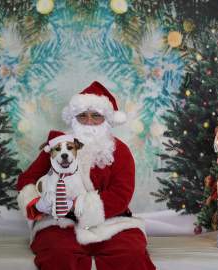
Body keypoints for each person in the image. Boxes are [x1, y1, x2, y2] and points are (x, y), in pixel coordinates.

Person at [16, 81, 156, 270]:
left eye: (96, 116)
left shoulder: (120, 151)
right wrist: (36, 204)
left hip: (112, 221)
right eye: (82, 116)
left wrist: (80, 206)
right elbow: (27, 179)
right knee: (58, 253)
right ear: (74, 119)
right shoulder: (58, 146)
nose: (89, 122)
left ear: (106, 120)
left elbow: (121, 195)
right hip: (62, 222)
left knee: (129, 253)